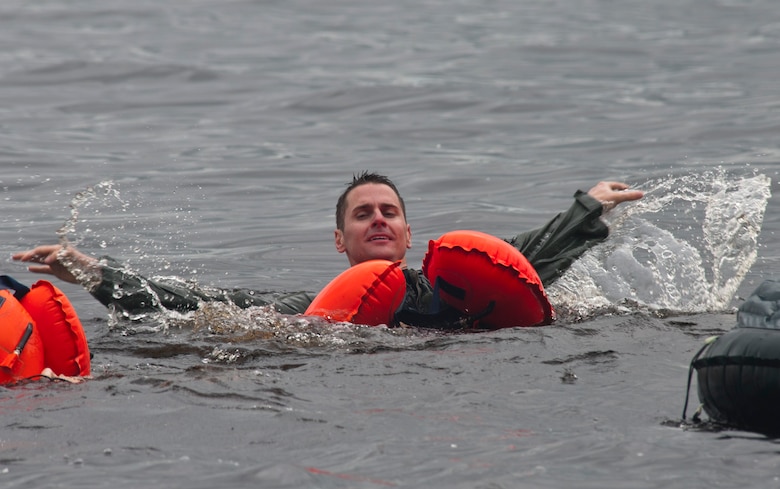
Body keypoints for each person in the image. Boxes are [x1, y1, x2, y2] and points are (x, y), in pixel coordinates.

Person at [12, 172, 643, 328]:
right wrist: (94, 272)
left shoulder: (451, 285)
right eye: (362, 213)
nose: (378, 219)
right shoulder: (311, 309)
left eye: (389, 213)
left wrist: (590, 204)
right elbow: (194, 304)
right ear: (339, 240)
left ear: (407, 235)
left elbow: (528, 260)